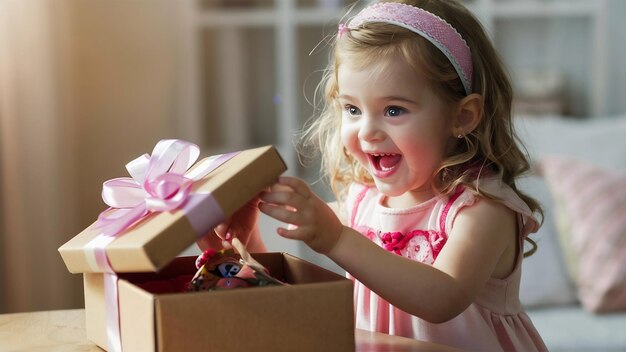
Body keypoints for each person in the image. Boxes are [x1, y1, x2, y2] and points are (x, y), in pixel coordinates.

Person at [199, 0, 547, 350]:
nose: (367, 131)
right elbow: (288, 304)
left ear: (462, 116)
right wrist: (244, 244)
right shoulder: (361, 202)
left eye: (394, 110)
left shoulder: (482, 210)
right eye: (352, 108)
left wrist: (336, 239)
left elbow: (442, 298)